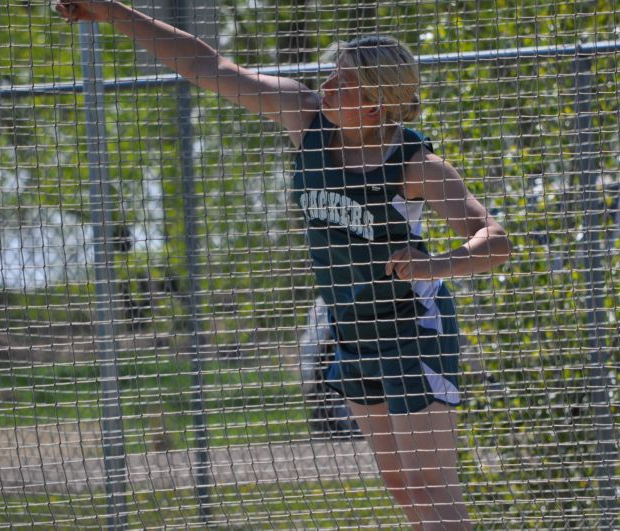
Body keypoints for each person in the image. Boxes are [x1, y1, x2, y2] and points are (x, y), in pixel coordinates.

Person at [57, 2, 512, 528]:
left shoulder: (417, 166)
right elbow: (208, 67)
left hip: (413, 332)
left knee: (434, 493)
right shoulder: (305, 117)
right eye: (333, 71)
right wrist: (109, 11)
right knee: (400, 484)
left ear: (374, 106)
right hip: (354, 334)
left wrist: (436, 266)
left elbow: (494, 241)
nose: (328, 83)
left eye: (344, 81)